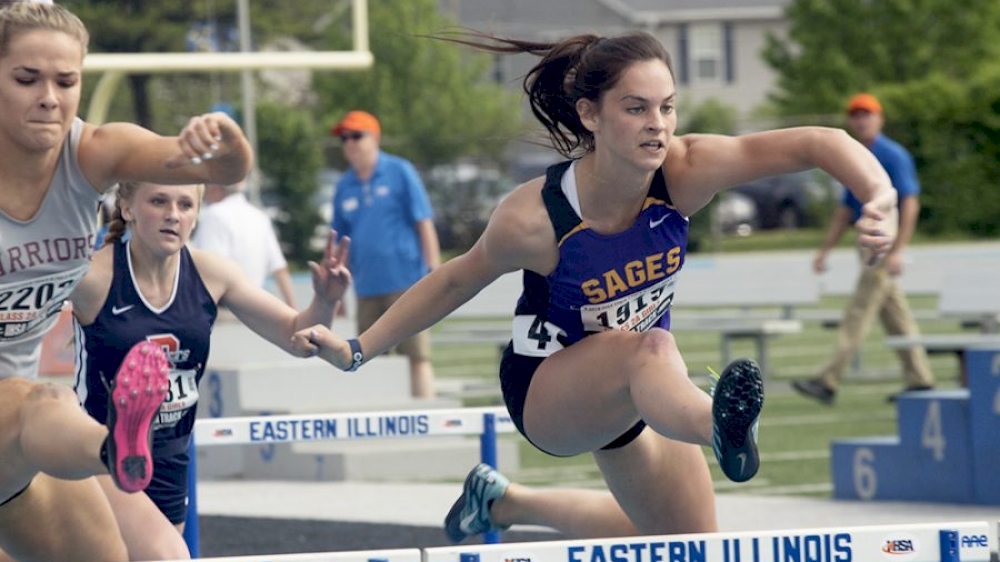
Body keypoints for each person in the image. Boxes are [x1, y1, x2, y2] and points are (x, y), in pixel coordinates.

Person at [291, 30, 898, 542]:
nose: (657, 126)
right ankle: (720, 421)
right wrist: (357, 349)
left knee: (686, 543)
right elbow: (453, 281)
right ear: (591, 115)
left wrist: (880, 197)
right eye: (636, 108)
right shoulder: (537, 217)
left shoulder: (685, 171)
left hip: (641, 390)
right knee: (655, 348)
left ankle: (506, 504)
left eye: (667, 107)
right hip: (550, 391)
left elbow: (823, 143)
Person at [0, 2, 252, 560]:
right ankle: (115, 447)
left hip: (17, 455)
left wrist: (224, 140)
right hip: (24, 420)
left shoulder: (91, 153)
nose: (49, 96)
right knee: (41, 402)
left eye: (66, 81)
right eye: (26, 79)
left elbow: (221, 171)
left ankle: (119, 449)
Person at [69, 180, 351, 560]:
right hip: (97, 454)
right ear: (127, 208)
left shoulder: (212, 273)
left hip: (169, 455)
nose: (174, 214)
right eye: (159, 201)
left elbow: (296, 336)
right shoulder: (93, 276)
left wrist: (325, 300)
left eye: (186, 205)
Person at [792, 93, 935, 406]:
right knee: (896, 315)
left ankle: (828, 380)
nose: (861, 120)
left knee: (858, 311)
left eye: (867, 114)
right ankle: (921, 379)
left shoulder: (892, 154)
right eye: (856, 115)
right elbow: (846, 210)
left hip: (883, 244)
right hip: (867, 244)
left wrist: (898, 249)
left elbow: (909, 202)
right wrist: (825, 250)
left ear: (879, 118)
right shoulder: (856, 155)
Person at [330, 110, 441, 399]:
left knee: (417, 356)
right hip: (367, 288)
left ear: (374, 138)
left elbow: (423, 221)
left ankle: (426, 417)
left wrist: (435, 268)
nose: (350, 143)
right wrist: (336, 294)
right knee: (369, 360)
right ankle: (386, 421)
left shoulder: (399, 171)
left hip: (407, 283)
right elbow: (338, 243)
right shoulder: (343, 185)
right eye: (345, 138)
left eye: (356, 136)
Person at [192, 179, 298, 308]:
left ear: (215, 188)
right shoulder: (260, 217)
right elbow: (279, 269)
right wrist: (293, 311)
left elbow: (208, 267)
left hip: (223, 307)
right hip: (255, 307)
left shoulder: (214, 214)